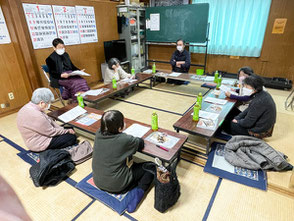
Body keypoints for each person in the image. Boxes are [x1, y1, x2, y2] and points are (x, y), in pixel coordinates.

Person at [92, 110, 153, 211]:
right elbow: (140, 143)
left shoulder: (98, 133)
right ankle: (136, 197)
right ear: (120, 127)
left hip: (98, 181)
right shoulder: (124, 139)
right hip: (117, 185)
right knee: (151, 167)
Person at [17, 88, 77, 152]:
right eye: (48, 103)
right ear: (42, 103)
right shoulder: (37, 115)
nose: (49, 105)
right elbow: (51, 132)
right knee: (71, 138)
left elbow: (49, 121)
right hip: (39, 143)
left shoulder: (28, 107)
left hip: (38, 136)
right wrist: (66, 131)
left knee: (69, 128)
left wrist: (63, 129)